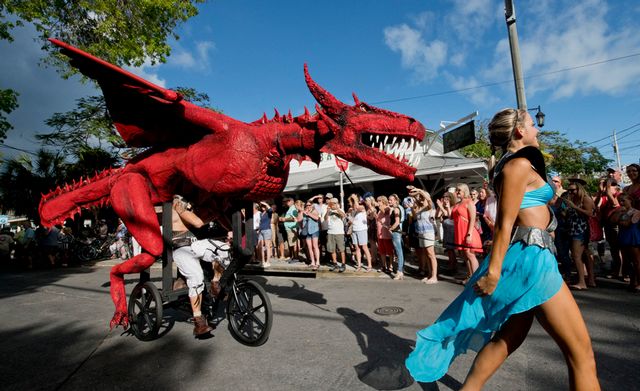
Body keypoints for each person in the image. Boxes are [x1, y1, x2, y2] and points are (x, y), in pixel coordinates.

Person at [406, 108, 600, 389]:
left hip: (532, 256)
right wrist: (494, 272)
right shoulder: (517, 166)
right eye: (533, 125)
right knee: (582, 355)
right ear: (520, 131)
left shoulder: (515, 165)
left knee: (507, 339)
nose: (537, 130)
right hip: (531, 260)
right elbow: (503, 224)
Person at [171, 195, 223, 336]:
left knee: (223, 250)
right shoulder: (176, 203)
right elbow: (198, 223)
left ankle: (215, 282)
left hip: (195, 244)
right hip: (181, 246)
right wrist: (215, 215)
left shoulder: (187, 204)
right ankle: (198, 320)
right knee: (196, 277)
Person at [565, 178, 596, 290]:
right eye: (569, 190)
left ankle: (582, 282)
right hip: (574, 229)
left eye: (573, 190)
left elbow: (590, 214)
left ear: (580, 189)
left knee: (576, 256)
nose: (571, 192)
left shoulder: (586, 199)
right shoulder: (574, 199)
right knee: (586, 256)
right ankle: (591, 280)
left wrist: (574, 207)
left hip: (581, 230)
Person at [452, 183, 483, 282]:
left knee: (470, 254)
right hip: (460, 231)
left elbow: (473, 219)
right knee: (465, 255)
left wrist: (469, 234)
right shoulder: (458, 203)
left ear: (464, 191)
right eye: (456, 190)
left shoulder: (469, 202)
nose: (457, 192)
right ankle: (470, 276)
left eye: (459, 190)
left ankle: (476, 278)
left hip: (468, 231)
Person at [408, 186, 438, 284]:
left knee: (431, 254)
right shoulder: (420, 208)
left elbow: (429, 199)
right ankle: (429, 274)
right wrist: (413, 205)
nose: (420, 198)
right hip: (421, 233)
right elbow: (414, 216)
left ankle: (434, 276)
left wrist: (420, 191)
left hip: (428, 233)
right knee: (426, 254)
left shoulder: (429, 206)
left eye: (421, 197)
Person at [347, 194, 371, 272]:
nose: (351, 204)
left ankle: (369, 265)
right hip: (355, 229)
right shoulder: (353, 210)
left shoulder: (362, 207)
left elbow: (357, 207)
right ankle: (359, 265)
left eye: (352, 202)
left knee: (364, 247)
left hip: (362, 230)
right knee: (357, 248)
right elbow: (352, 220)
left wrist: (355, 199)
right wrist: (348, 215)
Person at [325, 197, 346, 272]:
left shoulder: (340, 210)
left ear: (337, 203)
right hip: (330, 232)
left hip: (339, 232)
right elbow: (325, 219)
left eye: (334, 203)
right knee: (332, 249)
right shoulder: (329, 210)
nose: (332, 205)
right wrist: (327, 211)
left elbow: (343, 215)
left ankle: (343, 264)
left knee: (341, 249)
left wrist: (337, 209)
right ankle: (335, 264)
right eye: (331, 203)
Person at [388, 194, 406, 280]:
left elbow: (397, 222)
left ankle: (399, 271)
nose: (389, 201)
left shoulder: (396, 209)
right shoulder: (394, 209)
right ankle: (401, 270)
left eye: (391, 200)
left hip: (396, 233)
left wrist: (391, 229)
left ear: (396, 200)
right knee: (399, 252)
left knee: (399, 252)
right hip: (396, 232)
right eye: (389, 199)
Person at [301, 199, 321, 270]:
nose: (308, 206)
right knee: (309, 247)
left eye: (309, 205)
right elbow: (300, 220)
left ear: (312, 205)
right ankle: (312, 262)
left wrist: (308, 214)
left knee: (315, 246)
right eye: (307, 205)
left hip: (314, 230)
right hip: (307, 231)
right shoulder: (305, 211)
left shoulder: (314, 211)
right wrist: (302, 212)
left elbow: (316, 218)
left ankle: (317, 262)